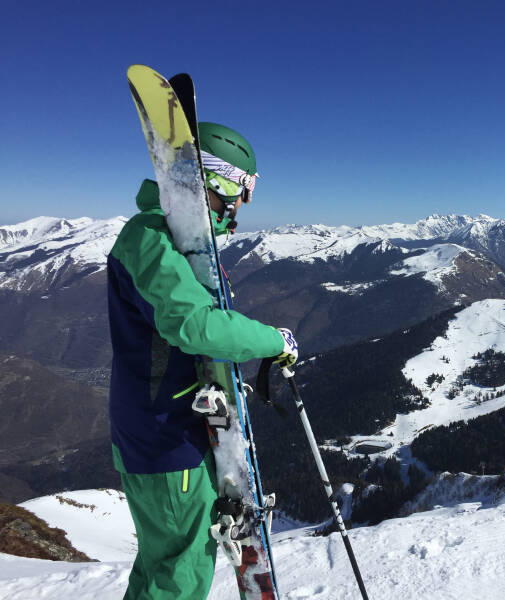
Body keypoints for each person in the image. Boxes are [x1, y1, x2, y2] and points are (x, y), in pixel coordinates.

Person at [107, 122, 297, 599]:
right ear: (219, 182)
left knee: (160, 564)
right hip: (166, 443)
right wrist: (275, 340)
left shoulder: (163, 239)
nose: (244, 206)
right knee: (180, 578)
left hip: (158, 434)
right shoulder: (150, 238)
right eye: (244, 190)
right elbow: (196, 327)